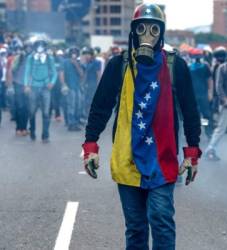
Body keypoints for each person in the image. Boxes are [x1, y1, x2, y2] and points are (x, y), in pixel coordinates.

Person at [82, 4, 201, 249]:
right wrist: (91, 146)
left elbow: (190, 111)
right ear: (133, 32)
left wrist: (192, 153)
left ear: (162, 33)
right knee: (135, 228)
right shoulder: (119, 64)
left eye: (154, 29)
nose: (148, 34)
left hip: (162, 159)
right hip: (127, 159)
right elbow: (100, 106)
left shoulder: (175, 66)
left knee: (161, 221)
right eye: (142, 28)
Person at [24, 35, 57, 143]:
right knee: (32, 111)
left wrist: (52, 82)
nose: (40, 47)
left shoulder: (49, 58)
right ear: (34, 46)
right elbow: (27, 72)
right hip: (33, 86)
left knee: (46, 112)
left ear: (45, 46)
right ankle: (32, 131)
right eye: (38, 45)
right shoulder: (31, 58)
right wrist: (26, 85)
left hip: (45, 87)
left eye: (42, 45)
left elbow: (54, 72)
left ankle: (45, 135)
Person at [189, 51, 213, 138]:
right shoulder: (189, 67)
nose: (197, 59)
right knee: (196, 115)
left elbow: (209, 80)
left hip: (203, 94)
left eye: (198, 57)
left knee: (205, 114)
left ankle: (207, 131)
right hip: (194, 95)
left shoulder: (205, 66)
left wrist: (210, 92)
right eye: (196, 57)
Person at [6, 44, 29, 136]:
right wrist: (10, 86)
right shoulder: (16, 59)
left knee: (27, 108)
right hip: (18, 85)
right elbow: (10, 71)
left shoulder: (31, 59)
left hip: (28, 86)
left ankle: (24, 128)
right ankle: (18, 128)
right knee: (20, 107)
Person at [60, 47, 84, 131]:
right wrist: (63, 84)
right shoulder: (65, 62)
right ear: (70, 53)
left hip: (78, 87)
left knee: (79, 106)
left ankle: (76, 122)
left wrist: (76, 65)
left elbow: (82, 75)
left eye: (75, 52)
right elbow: (61, 73)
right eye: (72, 52)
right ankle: (71, 124)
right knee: (71, 106)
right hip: (69, 87)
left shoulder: (79, 62)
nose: (74, 54)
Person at [81, 47, 101, 118]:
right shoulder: (84, 63)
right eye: (85, 54)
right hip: (86, 84)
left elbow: (98, 74)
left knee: (90, 101)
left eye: (88, 54)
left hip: (93, 84)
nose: (86, 55)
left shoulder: (96, 62)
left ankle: (90, 115)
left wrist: (99, 85)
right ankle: (86, 115)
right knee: (85, 101)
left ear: (92, 55)